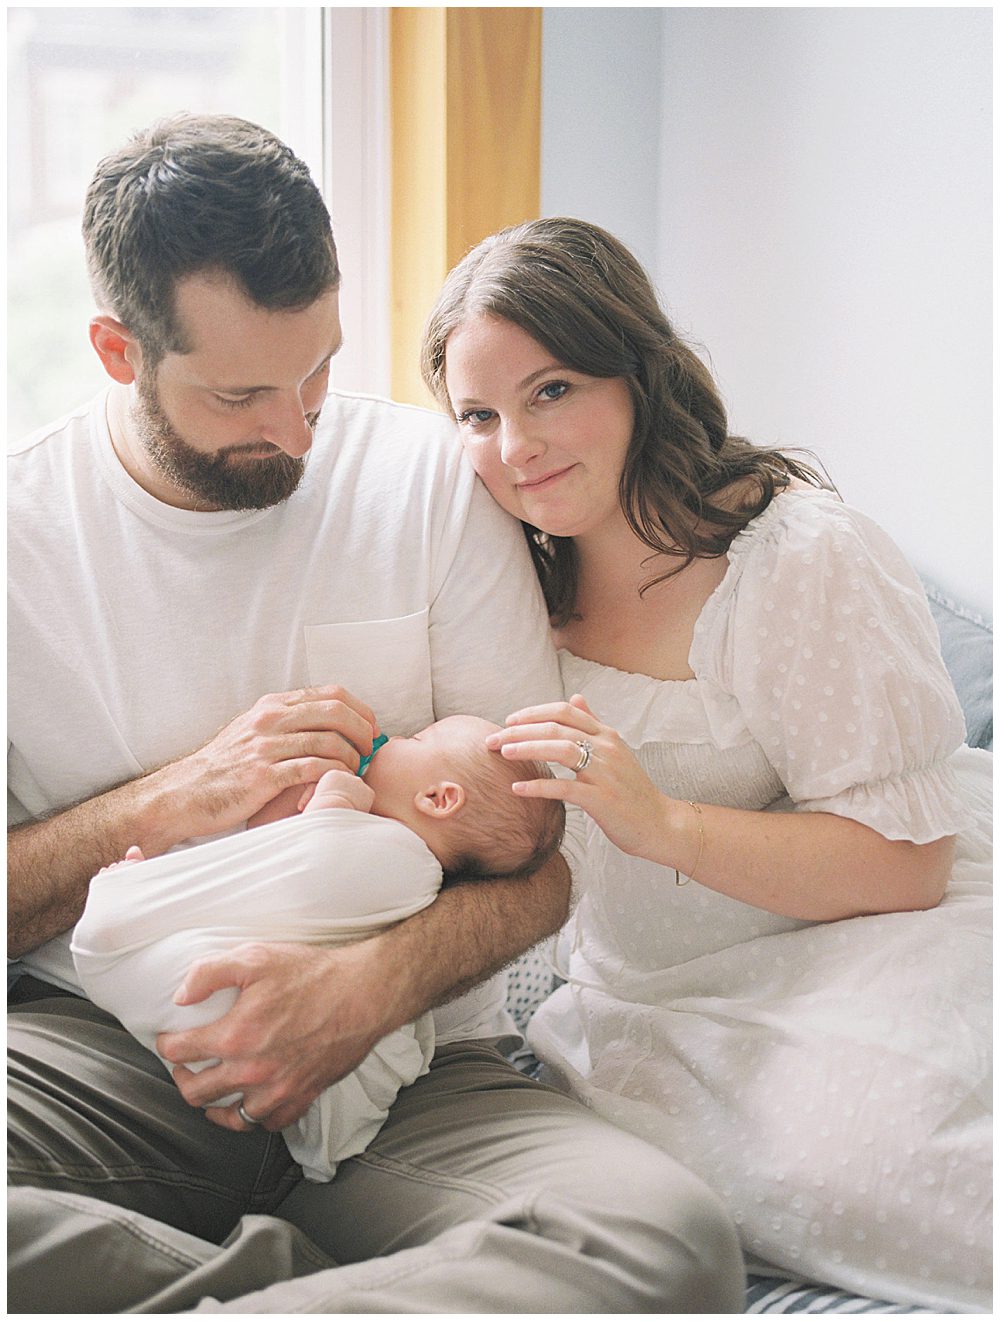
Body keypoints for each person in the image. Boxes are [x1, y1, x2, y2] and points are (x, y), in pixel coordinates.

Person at [7, 118, 745, 1313]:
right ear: (115, 350)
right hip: (104, 1058)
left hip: (400, 1066)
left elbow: (542, 865)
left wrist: (362, 993)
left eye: (318, 369)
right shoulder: (19, 539)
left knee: (665, 1246)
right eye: (242, 392)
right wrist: (162, 805)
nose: (299, 428)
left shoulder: (425, 484)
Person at [420, 216, 993, 1313]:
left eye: (551, 391)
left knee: (896, 1158)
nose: (517, 447)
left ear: (636, 373)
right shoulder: (490, 572)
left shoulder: (796, 561)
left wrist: (661, 824)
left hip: (862, 938)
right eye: (479, 416)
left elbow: (908, 863)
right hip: (643, 996)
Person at [72, 717, 565, 1183]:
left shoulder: (399, 860)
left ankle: (135, 900)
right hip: (228, 1038)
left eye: (414, 741)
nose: (394, 737)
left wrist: (333, 799)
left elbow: (311, 863)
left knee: (167, 960)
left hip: (233, 1019)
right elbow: (277, 874)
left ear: (439, 798)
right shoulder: (406, 873)